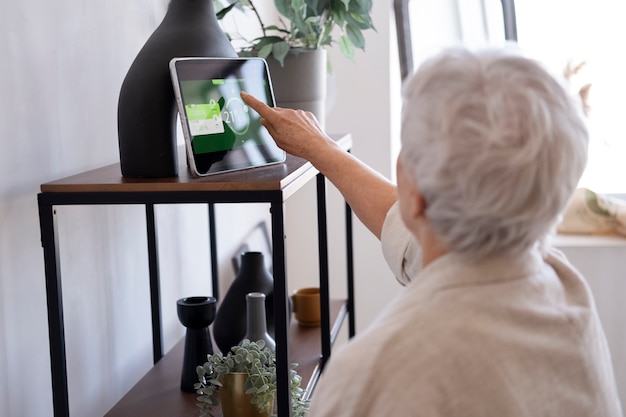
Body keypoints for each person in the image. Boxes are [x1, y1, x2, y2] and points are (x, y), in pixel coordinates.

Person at [241, 47, 623, 416]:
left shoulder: (370, 377)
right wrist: (322, 149)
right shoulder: (569, 295)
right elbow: (411, 238)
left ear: (412, 188)